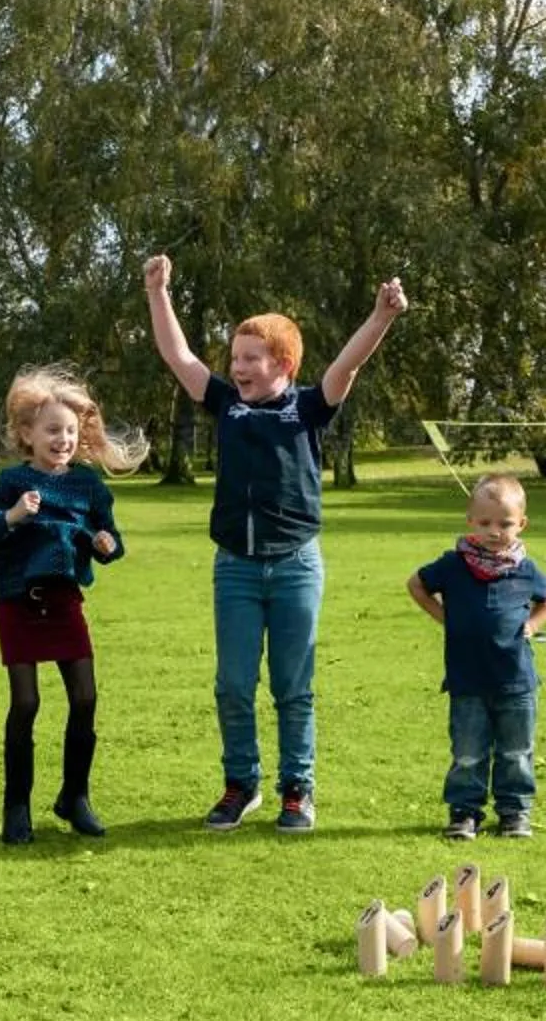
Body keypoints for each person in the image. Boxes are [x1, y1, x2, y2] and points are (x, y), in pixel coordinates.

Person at [141, 255, 408, 833]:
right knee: (234, 684)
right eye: (235, 358)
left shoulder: (309, 407)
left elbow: (348, 363)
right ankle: (241, 786)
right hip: (234, 567)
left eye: (249, 359)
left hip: (295, 566)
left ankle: (297, 790)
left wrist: (381, 316)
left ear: (282, 363)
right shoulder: (225, 404)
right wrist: (158, 292)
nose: (237, 368)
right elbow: (177, 356)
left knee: (293, 686)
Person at [0, 367, 144, 844]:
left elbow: (111, 541)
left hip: (65, 604)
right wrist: (12, 517)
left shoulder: (88, 487)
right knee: (26, 702)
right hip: (20, 604)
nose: (62, 439)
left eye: (70, 431)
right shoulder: (10, 483)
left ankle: (74, 797)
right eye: (52, 430)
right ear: (27, 434)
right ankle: (16, 807)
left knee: (85, 698)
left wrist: (106, 545)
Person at [407, 470, 546, 840]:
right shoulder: (453, 564)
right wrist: (445, 617)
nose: (494, 531)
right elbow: (416, 584)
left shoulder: (525, 568)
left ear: (521, 524)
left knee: (516, 751)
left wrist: (534, 626)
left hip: (516, 680)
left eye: (505, 523)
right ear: (470, 521)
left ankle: (514, 812)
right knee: (469, 751)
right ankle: (464, 812)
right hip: (468, 678)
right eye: (485, 522)